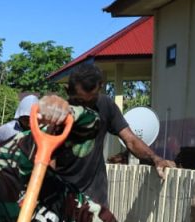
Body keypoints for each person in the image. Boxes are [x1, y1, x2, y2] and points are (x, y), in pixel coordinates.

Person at [64, 63, 175, 203]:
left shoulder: (106, 105)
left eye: (92, 101)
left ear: (101, 86)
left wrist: (155, 158)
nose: (87, 109)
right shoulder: (58, 114)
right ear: (68, 91)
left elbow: (130, 140)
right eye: (79, 101)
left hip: (95, 197)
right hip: (63, 196)